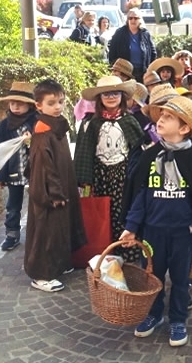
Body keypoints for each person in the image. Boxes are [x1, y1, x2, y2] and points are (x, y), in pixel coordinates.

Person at [119, 96, 192, 346]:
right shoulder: (150, 155)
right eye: (160, 116)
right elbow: (139, 195)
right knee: (151, 276)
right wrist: (132, 227)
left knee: (180, 278)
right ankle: (153, 315)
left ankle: (177, 319)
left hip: (181, 233)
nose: (160, 121)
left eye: (167, 118)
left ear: (184, 128)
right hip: (153, 232)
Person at [24, 79, 86, 292]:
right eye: (51, 103)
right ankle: (41, 274)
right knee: (46, 232)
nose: (58, 106)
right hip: (50, 194)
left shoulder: (55, 126)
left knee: (60, 229)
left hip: (62, 187)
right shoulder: (43, 131)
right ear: (38, 105)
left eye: (60, 101)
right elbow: (43, 167)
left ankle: (59, 264)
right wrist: (54, 193)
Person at [74, 76, 144, 263]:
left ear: (122, 96)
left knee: (123, 211)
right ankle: (104, 251)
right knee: (101, 211)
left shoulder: (129, 120)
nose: (111, 97)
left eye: (115, 93)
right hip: (99, 174)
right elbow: (83, 152)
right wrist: (83, 179)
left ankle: (127, 250)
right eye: (106, 94)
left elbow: (139, 148)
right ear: (99, 98)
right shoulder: (90, 122)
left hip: (123, 174)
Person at [0, 82, 37, 251]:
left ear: (30, 105)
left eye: (20, 103)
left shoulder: (37, 121)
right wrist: (1, 176)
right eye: (12, 103)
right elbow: (1, 151)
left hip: (35, 170)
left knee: (37, 202)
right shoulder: (5, 125)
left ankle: (37, 233)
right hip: (14, 170)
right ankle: (12, 234)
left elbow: (44, 146)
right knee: (13, 204)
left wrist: (32, 140)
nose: (15, 106)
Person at [108, 7, 157, 82]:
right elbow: (112, 52)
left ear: (140, 20)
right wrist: (116, 69)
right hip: (124, 73)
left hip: (142, 72)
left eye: (136, 18)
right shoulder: (120, 33)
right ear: (127, 20)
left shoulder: (145, 33)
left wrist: (150, 68)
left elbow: (153, 52)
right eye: (130, 18)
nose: (133, 20)